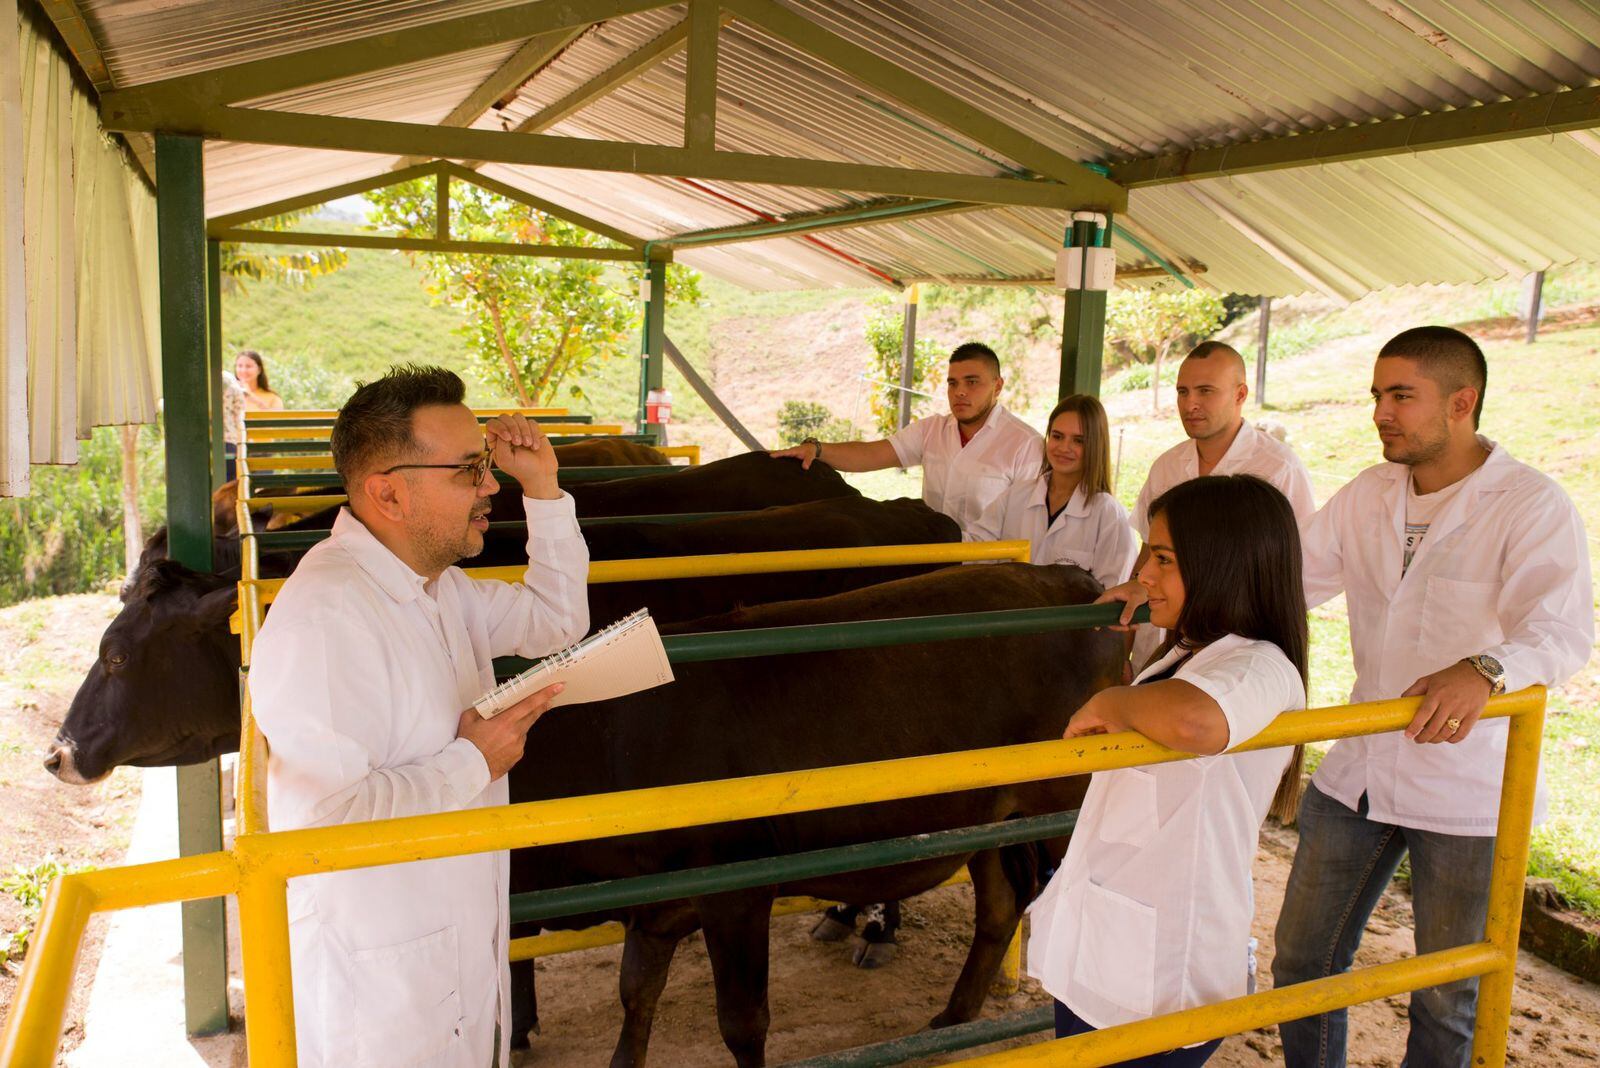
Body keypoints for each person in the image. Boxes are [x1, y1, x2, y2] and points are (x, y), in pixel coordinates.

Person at [1266, 326, 1594, 1067]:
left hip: (1469, 788)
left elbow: (1563, 630)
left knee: (1447, 995)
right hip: (1359, 774)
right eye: (1378, 396)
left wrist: (1484, 668)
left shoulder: (1529, 504)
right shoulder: (1369, 493)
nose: (1381, 412)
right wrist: (1181, 589)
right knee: (1300, 966)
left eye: (1401, 396)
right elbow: (1291, 585)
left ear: (1461, 402)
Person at [249, 365, 591, 1068]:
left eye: (488, 466)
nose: (490, 487)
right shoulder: (327, 614)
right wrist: (474, 761)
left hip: (446, 949)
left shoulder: (441, 589)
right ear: (388, 492)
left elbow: (558, 622)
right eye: (470, 469)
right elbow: (321, 821)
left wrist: (545, 490)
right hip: (378, 995)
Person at [1028, 474, 1309, 1065]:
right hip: (1105, 945)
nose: (1143, 574)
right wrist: (1146, 605)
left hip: (1160, 971)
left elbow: (1196, 723)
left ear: (1222, 565)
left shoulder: (1261, 665)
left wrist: (1114, 702)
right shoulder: (1190, 651)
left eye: (1162, 559)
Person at [1128, 341, 1315, 667]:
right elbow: (1148, 552)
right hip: (1163, 643)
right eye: (1182, 392)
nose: (1190, 404)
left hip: (1239, 649)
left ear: (1240, 394)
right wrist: (1124, 650)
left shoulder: (1277, 467)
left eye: (1205, 391)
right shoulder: (1167, 465)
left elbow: (1293, 571)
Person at [771, 342, 1042, 534]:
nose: (959, 392)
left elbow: (1029, 527)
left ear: (998, 386)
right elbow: (872, 454)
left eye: (972, 382)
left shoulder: (1025, 445)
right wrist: (816, 449)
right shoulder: (932, 430)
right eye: (952, 383)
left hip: (991, 571)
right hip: (930, 561)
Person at [966, 394, 1136, 588]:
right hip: (1009, 614)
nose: (1064, 447)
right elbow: (975, 549)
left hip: (1073, 619)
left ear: (1095, 446)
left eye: (1078, 440)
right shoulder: (1016, 495)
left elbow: (1111, 593)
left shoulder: (1108, 514)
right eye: (1057, 436)